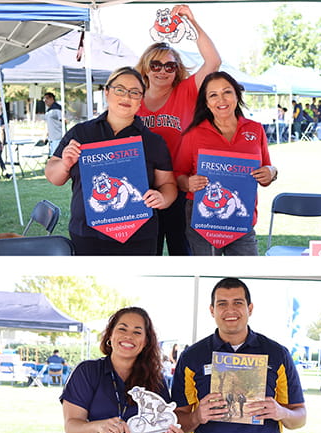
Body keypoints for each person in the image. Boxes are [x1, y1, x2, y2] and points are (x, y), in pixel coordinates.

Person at [172, 278, 306, 433]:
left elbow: (300, 416)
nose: (230, 310)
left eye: (238, 302)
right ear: (212, 310)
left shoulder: (276, 353)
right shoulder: (192, 357)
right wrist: (196, 416)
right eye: (222, 304)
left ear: (249, 308)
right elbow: (178, 420)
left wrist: (280, 412)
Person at [44, 68, 176, 255]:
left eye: (134, 92)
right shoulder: (81, 133)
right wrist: (65, 164)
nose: (126, 97)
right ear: (107, 92)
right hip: (87, 234)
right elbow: (53, 176)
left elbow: (168, 184)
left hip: (139, 236)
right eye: (119, 89)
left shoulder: (153, 141)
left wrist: (163, 198)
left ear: (141, 99)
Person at [60, 307, 185, 433]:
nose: (129, 336)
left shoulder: (155, 379)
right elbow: (72, 429)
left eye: (137, 332)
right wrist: (100, 426)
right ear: (110, 334)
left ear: (145, 342)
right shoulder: (87, 372)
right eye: (122, 329)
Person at [136, 5, 219, 256]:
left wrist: (192, 21)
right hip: (141, 187)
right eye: (156, 64)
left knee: (181, 251)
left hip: (181, 186)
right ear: (146, 67)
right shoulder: (132, 97)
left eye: (170, 66)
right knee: (144, 251)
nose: (162, 70)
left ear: (177, 70)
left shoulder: (186, 91)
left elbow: (213, 61)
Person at [173, 72, 279, 256]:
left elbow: (267, 172)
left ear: (237, 95)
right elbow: (178, 175)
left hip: (241, 215)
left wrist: (272, 172)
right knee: (209, 272)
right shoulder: (193, 134)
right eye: (213, 95)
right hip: (203, 217)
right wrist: (188, 183)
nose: (221, 99)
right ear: (206, 102)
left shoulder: (255, 129)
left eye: (227, 92)